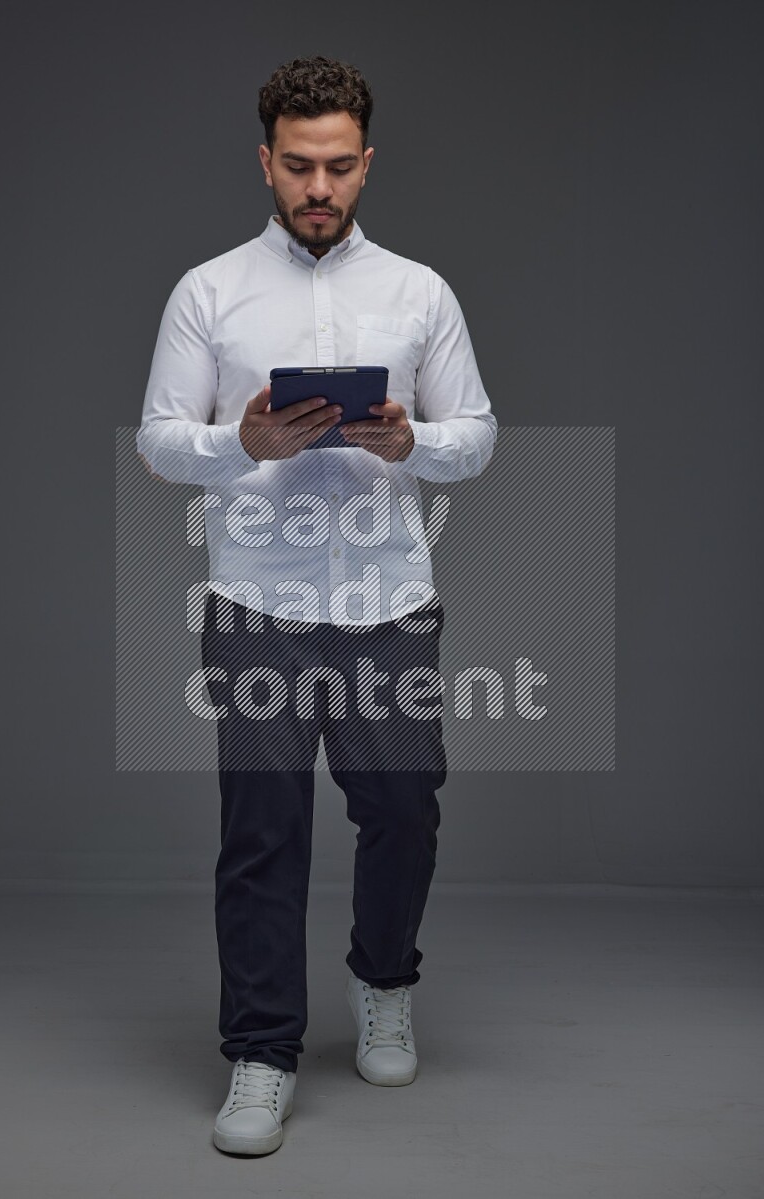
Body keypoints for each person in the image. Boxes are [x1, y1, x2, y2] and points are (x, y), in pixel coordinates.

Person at [136, 54, 497, 1156]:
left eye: (338, 166)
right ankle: (260, 1049)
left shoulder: (419, 292)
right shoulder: (208, 291)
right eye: (298, 166)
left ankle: (381, 978)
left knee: (402, 810)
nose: (318, 188)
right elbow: (158, 439)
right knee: (263, 829)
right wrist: (235, 441)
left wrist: (411, 440)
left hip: (388, 600)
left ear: (365, 163)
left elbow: (474, 435)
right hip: (257, 599)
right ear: (265, 161)